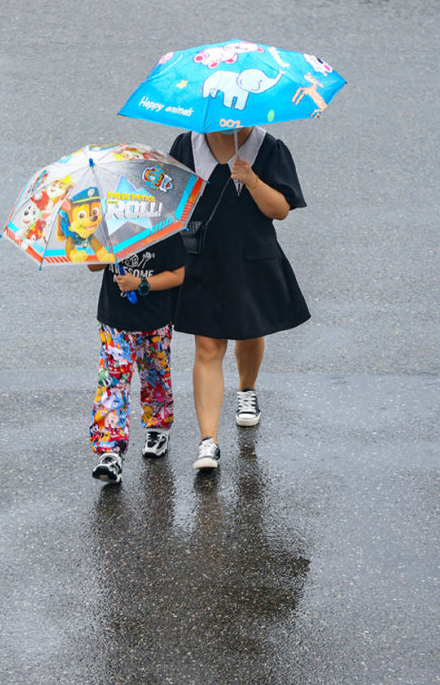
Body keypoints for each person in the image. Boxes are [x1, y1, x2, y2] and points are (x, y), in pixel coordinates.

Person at [169, 126, 310, 470]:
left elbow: (280, 210)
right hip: (201, 258)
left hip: (251, 256)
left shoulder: (269, 148)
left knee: (249, 331)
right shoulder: (187, 145)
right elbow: (168, 199)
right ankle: (208, 442)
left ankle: (246, 390)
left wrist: (251, 180)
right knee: (208, 347)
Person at [88, 234, 186, 485]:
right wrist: (96, 240)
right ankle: (110, 452)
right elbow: (93, 264)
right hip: (115, 321)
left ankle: (157, 428)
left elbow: (177, 275)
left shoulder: (164, 229)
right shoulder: (112, 228)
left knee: (155, 376)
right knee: (113, 382)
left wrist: (140, 283)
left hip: (155, 320)